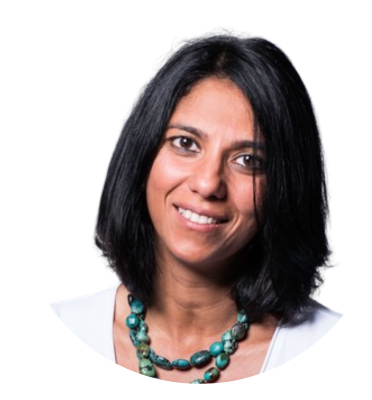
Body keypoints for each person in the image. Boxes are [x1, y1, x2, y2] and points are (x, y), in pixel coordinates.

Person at [51, 34, 341, 384]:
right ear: (142, 155)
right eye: (185, 143)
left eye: (248, 160)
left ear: (286, 186)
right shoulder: (54, 335)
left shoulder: (337, 356)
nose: (207, 184)